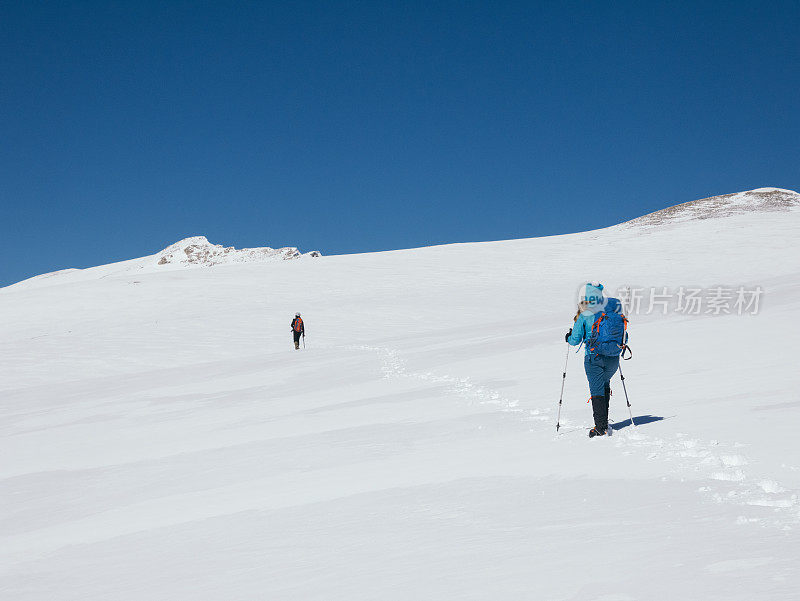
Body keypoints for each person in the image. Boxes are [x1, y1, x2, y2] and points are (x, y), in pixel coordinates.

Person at [565, 283, 629, 438]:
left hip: (594, 357)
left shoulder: (585, 313)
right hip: (613, 358)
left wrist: (568, 337)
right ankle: (603, 422)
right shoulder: (613, 311)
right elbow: (624, 336)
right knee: (604, 385)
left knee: (596, 390)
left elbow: (575, 340)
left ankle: (600, 427)